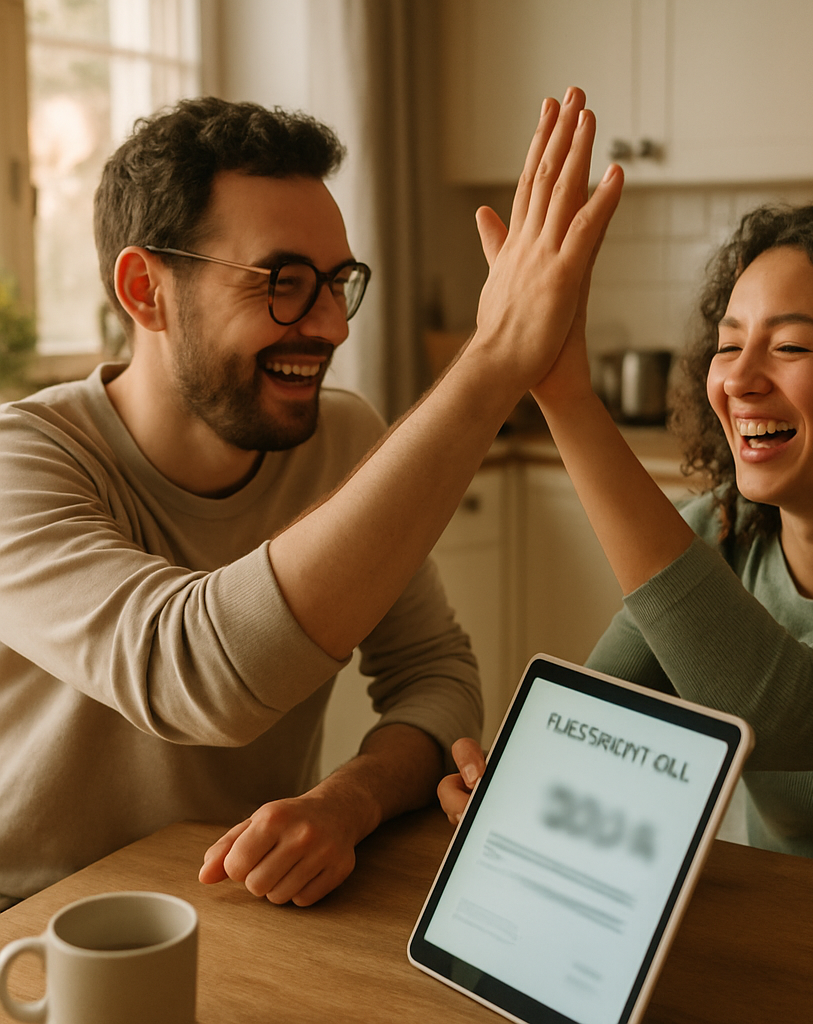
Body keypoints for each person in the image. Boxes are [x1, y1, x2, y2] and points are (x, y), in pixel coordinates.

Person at [0, 90, 624, 909]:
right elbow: (191, 672)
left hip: (240, 912)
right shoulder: (25, 461)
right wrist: (495, 360)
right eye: (284, 281)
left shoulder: (341, 436)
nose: (331, 325)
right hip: (32, 921)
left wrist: (347, 800)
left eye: (337, 282)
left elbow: (434, 672)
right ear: (145, 292)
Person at [440, 203, 813, 899]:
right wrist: (516, 783)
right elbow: (591, 731)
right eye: (728, 345)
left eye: (790, 347)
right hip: (794, 936)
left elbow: (805, 714)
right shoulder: (723, 532)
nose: (740, 379)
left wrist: (566, 397)